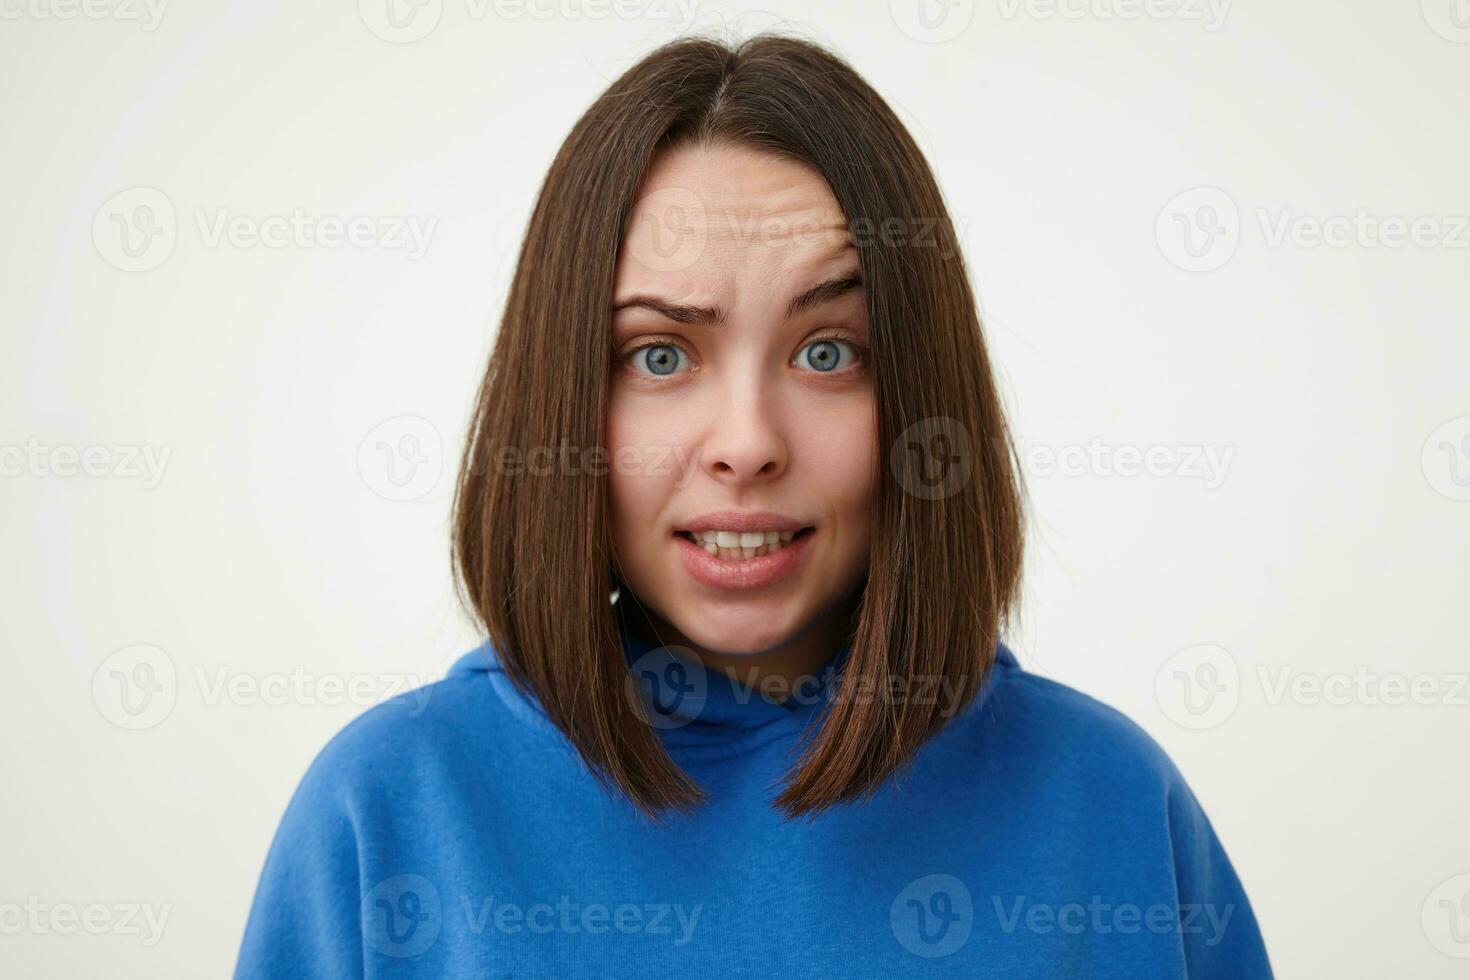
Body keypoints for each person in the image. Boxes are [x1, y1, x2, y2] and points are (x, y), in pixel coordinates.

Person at [235, 32, 1273, 978]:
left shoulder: (1109, 802)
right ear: (565, 397)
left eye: (828, 353)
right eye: (658, 353)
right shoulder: (384, 811)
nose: (746, 443)